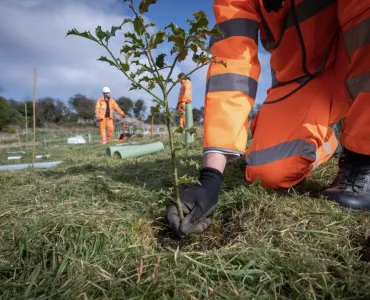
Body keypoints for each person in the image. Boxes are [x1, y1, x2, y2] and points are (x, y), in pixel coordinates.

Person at [166, 0, 370, 236]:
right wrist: (210, 178)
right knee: (270, 172)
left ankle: (362, 155)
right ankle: (333, 128)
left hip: (359, 68)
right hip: (300, 83)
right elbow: (230, 68)